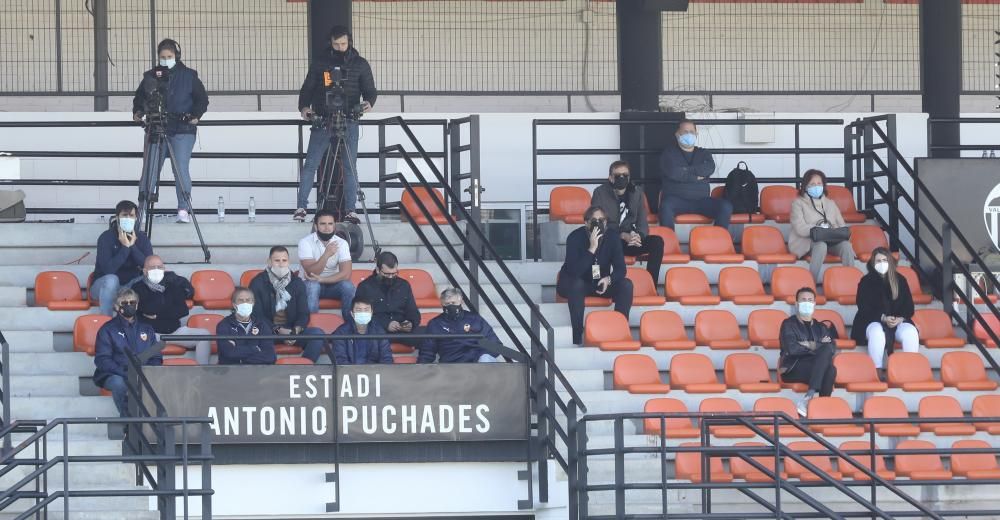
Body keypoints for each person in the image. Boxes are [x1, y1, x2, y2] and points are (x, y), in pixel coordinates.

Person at [295, 25, 378, 223]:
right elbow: (307, 88)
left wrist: (368, 104)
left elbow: (370, 91)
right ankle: (300, 208)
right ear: (330, 43)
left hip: (349, 119)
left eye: (343, 43)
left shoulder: (360, 64)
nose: (341, 47)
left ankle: (351, 210)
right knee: (311, 165)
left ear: (349, 41)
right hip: (322, 119)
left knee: (350, 166)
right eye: (336, 44)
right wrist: (304, 108)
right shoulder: (320, 63)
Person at [132, 38, 209, 224]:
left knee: (180, 170)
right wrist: (138, 111)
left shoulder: (189, 76)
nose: (166, 59)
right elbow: (139, 98)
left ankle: (184, 209)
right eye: (162, 57)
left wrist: (196, 115)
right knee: (149, 170)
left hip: (182, 129)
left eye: (169, 56)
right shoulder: (150, 76)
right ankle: (142, 210)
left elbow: (202, 99)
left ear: (177, 56)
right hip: (155, 128)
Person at [557, 206, 633, 346]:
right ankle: (577, 336)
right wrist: (592, 248)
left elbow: (621, 269)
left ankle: (618, 331)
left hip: (598, 281)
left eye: (602, 220)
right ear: (586, 223)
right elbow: (575, 272)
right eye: (594, 220)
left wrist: (608, 279)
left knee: (626, 285)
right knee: (577, 284)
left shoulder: (612, 237)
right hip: (574, 282)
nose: (599, 223)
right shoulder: (575, 237)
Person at [250, 246, 328, 362]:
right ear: (269, 262)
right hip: (268, 332)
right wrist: (278, 330)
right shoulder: (257, 282)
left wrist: (295, 332)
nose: (281, 264)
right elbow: (257, 315)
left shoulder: (297, 283)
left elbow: (303, 313)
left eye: (284, 260)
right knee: (255, 338)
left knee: (317, 334)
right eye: (277, 260)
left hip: (292, 330)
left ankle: (304, 369)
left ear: (289, 262)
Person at [591, 160, 665, 283]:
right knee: (595, 244)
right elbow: (597, 224)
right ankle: (596, 281)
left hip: (629, 241)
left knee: (657, 242)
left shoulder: (637, 192)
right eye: (617, 176)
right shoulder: (600, 192)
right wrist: (621, 235)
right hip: (608, 240)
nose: (622, 178)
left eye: (625, 175)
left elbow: (642, 220)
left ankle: (651, 284)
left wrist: (638, 236)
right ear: (610, 178)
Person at [93, 288, 163, 417]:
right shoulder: (107, 329)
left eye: (132, 302)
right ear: (116, 306)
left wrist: (148, 372)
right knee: (119, 383)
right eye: (124, 303)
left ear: (137, 304)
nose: (129, 305)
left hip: (143, 373)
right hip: (115, 374)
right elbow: (102, 359)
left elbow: (156, 356)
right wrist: (125, 373)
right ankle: (129, 424)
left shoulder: (146, 328)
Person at [132, 255, 211, 365]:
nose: (156, 270)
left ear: (164, 269)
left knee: (204, 335)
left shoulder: (173, 285)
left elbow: (183, 310)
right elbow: (148, 308)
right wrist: (168, 310)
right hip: (152, 335)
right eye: (152, 267)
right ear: (145, 271)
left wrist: (158, 315)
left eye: (159, 267)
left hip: (175, 332)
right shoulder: (137, 288)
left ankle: (203, 373)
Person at [852, 247, 919, 371]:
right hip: (871, 321)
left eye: (884, 260)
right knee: (877, 333)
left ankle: (911, 369)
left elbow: (909, 306)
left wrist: (900, 319)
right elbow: (863, 307)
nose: (882, 263)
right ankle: (876, 370)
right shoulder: (866, 281)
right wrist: (882, 317)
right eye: (878, 261)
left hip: (897, 321)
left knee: (911, 332)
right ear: (873, 263)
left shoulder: (900, 280)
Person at [658, 119, 732, 230]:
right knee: (665, 206)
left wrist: (685, 171)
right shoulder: (669, 153)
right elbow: (674, 172)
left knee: (725, 206)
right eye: (685, 132)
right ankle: (669, 242)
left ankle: (717, 242)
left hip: (702, 201)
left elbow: (709, 168)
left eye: (691, 132)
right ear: (677, 134)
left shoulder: (704, 153)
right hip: (676, 201)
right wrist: (697, 176)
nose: (689, 135)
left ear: (696, 134)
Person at [779, 287, 838, 416]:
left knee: (831, 369)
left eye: (810, 300)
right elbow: (792, 349)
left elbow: (832, 348)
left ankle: (811, 399)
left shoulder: (821, 327)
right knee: (827, 362)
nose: (807, 303)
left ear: (814, 304)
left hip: (815, 367)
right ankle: (817, 404)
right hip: (793, 368)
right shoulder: (788, 324)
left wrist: (810, 345)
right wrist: (818, 346)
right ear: (796, 304)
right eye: (803, 300)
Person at [788, 169, 856, 281]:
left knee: (846, 246)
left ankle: (850, 281)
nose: (816, 186)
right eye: (812, 184)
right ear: (805, 186)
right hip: (808, 241)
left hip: (831, 239)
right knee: (821, 245)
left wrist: (832, 231)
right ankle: (811, 281)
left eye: (819, 183)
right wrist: (817, 229)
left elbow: (841, 225)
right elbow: (799, 227)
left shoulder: (831, 203)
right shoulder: (798, 203)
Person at [92, 200, 154, 316]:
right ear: (117, 217)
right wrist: (125, 248)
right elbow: (108, 270)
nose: (128, 218)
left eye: (131, 215)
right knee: (112, 279)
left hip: (130, 285)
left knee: (150, 277)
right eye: (124, 215)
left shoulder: (142, 238)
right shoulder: (106, 238)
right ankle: (107, 322)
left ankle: (144, 320)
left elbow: (148, 266)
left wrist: (132, 246)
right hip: (103, 286)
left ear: (136, 218)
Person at [354, 251, 422, 346]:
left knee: (430, 335)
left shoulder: (404, 285)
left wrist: (411, 322)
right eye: (386, 274)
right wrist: (386, 324)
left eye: (394, 273)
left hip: (402, 330)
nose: (390, 277)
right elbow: (361, 315)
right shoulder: (365, 287)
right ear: (378, 270)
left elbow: (413, 311)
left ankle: (424, 361)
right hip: (378, 331)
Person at [419, 288, 503, 363]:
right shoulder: (435, 323)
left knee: (486, 359)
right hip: (451, 365)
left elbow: (495, 344)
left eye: (453, 303)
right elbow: (427, 351)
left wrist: (476, 355)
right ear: (442, 304)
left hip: (475, 363)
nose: (451, 306)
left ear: (461, 302)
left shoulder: (475, 319)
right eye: (447, 304)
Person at [297, 210, 356, 317]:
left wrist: (323, 279)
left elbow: (346, 274)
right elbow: (311, 273)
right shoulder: (305, 242)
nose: (327, 228)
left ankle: (350, 327)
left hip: (333, 285)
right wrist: (326, 255)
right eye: (323, 224)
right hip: (309, 283)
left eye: (330, 224)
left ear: (334, 226)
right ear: (316, 226)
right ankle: (311, 328)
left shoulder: (342, 243)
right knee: (313, 286)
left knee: (348, 286)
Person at [216, 287, 277, 365]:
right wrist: (256, 348)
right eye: (241, 300)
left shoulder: (262, 324)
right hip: (232, 373)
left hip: (258, 372)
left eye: (248, 300)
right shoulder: (224, 325)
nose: (245, 303)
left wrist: (241, 360)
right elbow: (228, 354)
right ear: (234, 305)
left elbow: (270, 356)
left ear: (253, 303)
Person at [332, 297, 393, 365]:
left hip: (375, 373)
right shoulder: (341, 333)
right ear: (352, 314)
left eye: (366, 310)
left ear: (371, 312)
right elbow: (340, 361)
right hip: (350, 373)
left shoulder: (379, 331)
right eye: (359, 310)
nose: (363, 313)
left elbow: (387, 358)